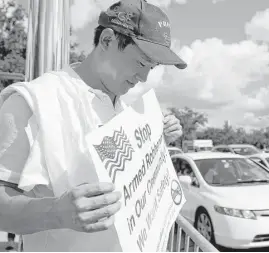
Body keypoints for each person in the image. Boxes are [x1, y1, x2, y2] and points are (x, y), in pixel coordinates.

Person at [0, 0, 186, 251]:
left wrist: (157, 139)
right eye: (141, 63)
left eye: (151, 68)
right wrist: (56, 213)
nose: (143, 78)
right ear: (107, 40)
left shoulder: (127, 107)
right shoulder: (32, 103)